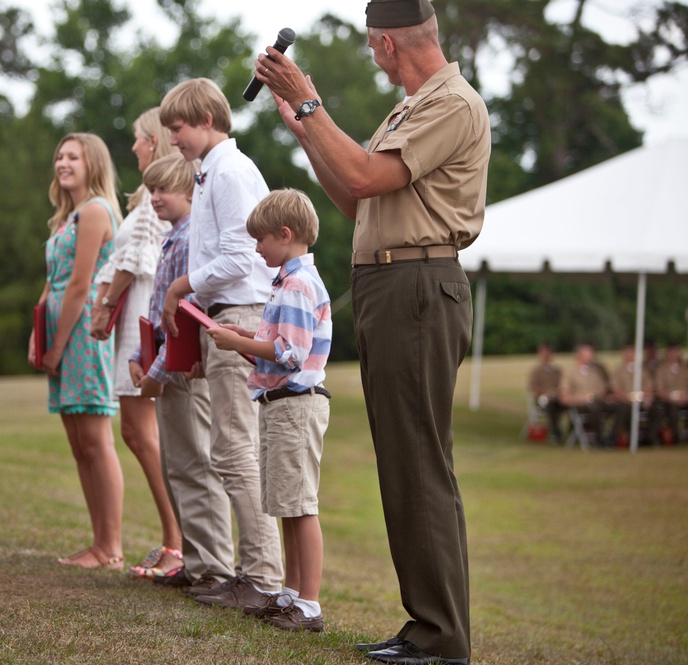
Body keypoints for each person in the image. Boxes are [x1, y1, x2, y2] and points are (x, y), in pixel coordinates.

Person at [256, 0, 489, 661]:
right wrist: (305, 129)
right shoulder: (412, 106)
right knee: (405, 465)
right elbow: (360, 202)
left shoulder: (450, 101)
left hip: (417, 288)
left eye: (371, 47)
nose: (372, 57)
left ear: (387, 44)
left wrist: (311, 106)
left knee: (419, 466)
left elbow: (363, 173)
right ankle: (426, 626)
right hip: (394, 286)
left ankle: (441, 637)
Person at [158, 77, 285, 609]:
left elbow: (243, 257)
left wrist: (180, 287)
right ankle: (250, 570)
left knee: (235, 449)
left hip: (239, 316)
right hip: (221, 318)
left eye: (179, 128)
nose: (173, 141)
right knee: (229, 447)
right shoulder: (210, 171)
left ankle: (260, 578)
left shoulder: (229, 171)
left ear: (207, 119)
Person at [207, 189, 332, 633]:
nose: (256, 248)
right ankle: (291, 595)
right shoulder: (286, 282)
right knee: (285, 502)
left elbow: (291, 353)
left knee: (300, 505)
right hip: (279, 406)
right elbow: (274, 351)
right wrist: (243, 338)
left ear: (286, 234)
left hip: (296, 407)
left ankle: (310, 605)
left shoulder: (297, 285)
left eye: (261, 240)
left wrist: (240, 343)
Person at [128, 153, 233, 585]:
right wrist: (140, 355)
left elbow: (182, 318)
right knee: (177, 467)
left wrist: (155, 370)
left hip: (181, 371)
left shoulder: (191, 240)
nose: (154, 198)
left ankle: (215, 567)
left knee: (197, 468)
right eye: (150, 190)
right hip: (163, 367)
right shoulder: (173, 237)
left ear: (190, 191)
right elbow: (156, 310)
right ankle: (193, 562)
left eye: (163, 190)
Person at [89, 108, 183, 577]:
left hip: (143, 311)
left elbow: (133, 257)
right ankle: (176, 537)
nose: (133, 148)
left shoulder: (155, 196)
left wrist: (105, 303)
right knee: (139, 432)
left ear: (155, 142)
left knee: (142, 433)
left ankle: (177, 541)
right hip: (137, 311)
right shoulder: (152, 196)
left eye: (139, 139)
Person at [28, 132, 125, 570]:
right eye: (59, 156)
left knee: (95, 439)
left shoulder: (95, 211)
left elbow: (81, 286)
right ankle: (97, 543)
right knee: (77, 442)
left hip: (83, 335)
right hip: (59, 334)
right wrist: (39, 336)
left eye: (73, 157)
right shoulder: (66, 217)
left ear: (93, 165)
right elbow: (53, 281)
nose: (63, 163)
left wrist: (59, 346)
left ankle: (110, 547)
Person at [559, 342, 614, 445]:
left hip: (598, 402)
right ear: (580, 355)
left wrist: (606, 396)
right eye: (590, 353)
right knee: (595, 408)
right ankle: (599, 440)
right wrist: (582, 398)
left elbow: (602, 389)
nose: (593, 356)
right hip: (581, 405)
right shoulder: (570, 372)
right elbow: (564, 398)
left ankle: (612, 438)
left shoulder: (595, 371)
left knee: (621, 407)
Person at [610, 343, 655, 446]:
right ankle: (618, 438)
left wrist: (648, 398)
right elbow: (615, 389)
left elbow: (649, 386)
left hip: (641, 400)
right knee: (625, 409)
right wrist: (627, 397)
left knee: (657, 409)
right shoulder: (618, 370)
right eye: (627, 352)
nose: (629, 354)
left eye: (632, 352)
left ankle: (649, 437)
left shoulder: (641, 370)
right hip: (624, 401)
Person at [527, 343, 564, 443]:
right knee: (551, 406)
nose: (546, 356)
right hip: (543, 399)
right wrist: (546, 392)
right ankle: (555, 432)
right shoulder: (536, 371)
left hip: (557, 398)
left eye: (548, 354)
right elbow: (533, 388)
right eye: (544, 354)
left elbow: (563, 385)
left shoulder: (557, 371)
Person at [653, 344, 688, 444]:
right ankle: (676, 437)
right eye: (671, 352)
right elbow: (659, 388)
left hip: (685, 398)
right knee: (673, 409)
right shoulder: (662, 369)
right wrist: (672, 397)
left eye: (676, 352)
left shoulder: (684, 368)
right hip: (668, 400)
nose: (674, 355)